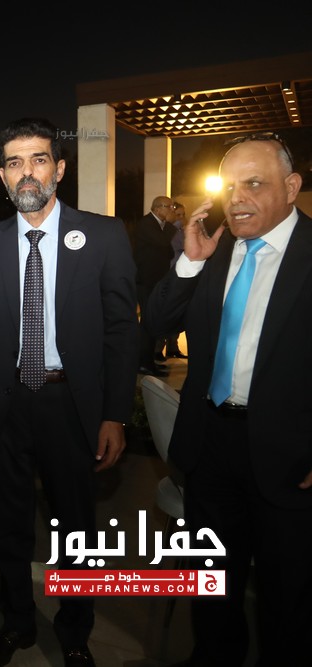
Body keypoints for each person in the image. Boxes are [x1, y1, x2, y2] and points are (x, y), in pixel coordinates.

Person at [0, 117, 138, 667]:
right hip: (6, 404)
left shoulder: (104, 235)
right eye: (14, 162)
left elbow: (121, 331)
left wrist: (115, 414)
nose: (27, 172)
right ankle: (16, 622)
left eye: (38, 159)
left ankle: (76, 630)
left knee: (77, 526)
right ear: (2, 176)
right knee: (9, 525)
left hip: (71, 406)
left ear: (59, 169)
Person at [146, 133, 311, 665]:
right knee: (211, 582)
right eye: (230, 187)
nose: (237, 199)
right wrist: (190, 263)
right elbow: (157, 324)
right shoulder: (213, 252)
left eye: (254, 184)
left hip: (288, 456)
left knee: (286, 596)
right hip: (210, 444)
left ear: (291, 187)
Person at [133, 195, 177, 376]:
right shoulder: (147, 223)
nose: (172, 210)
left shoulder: (159, 225)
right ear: (158, 208)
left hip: (155, 281)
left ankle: (148, 361)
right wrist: (172, 224)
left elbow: (169, 252)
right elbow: (164, 243)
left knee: (151, 322)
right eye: (169, 207)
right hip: (146, 281)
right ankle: (143, 363)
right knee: (147, 323)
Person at [161, 201, 188, 359]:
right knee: (167, 312)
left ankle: (173, 347)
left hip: (181, 274)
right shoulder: (169, 230)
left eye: (183, 215)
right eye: (178, 215)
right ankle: (159, 349)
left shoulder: (181, 229)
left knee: (178, 312)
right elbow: (183, 245)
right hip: (170, 274)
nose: (181, 218)